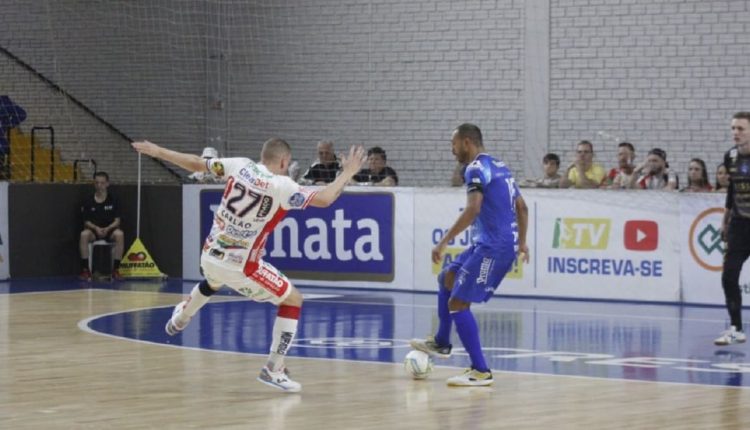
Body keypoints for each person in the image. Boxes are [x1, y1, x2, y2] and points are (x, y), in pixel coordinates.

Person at [131, 137, 366, 392]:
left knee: (213, 281)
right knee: (293, 300)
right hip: (241, 266)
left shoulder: (240, 165)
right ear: (284, 161)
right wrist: (347, 173)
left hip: (209, 253)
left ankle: (181, 318)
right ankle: (273, 369)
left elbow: (197, 164)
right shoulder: (282, 185)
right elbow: (325, 198)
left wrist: (157, 150)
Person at [410, 123, 529, 386]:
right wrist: (522, 242)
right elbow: (522, 207)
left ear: (466, 142)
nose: (452, 150)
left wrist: (443, 242)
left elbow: (473, 209)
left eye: (453, 144)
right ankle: (441, 342)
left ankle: (481, 371)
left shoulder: (475, 168)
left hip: (493, 248)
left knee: (458, 303)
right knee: (446, 278)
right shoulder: (500, 166)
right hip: (489, 244)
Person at [714, 112, 750, 345]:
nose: (735, 133)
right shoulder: (731, 157)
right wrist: (725, 219)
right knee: (728, 276)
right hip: (740, 224)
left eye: (741, 128)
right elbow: (732, 190)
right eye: (733, 128)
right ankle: (736, 327)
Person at [79, 171, 124, 281]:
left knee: (120, 234)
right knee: (84, 234)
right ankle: (86, 270)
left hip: (110, 230)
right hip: (94, 231)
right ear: (94, 184)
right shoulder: (88, 200)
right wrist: (96, 228)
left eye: (102, 183)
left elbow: (117, 221)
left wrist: (108, 228)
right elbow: (86, 221)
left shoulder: (114, 199)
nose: (99, 186)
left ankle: (115, 270)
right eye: (97, 183)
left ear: (107, 184)